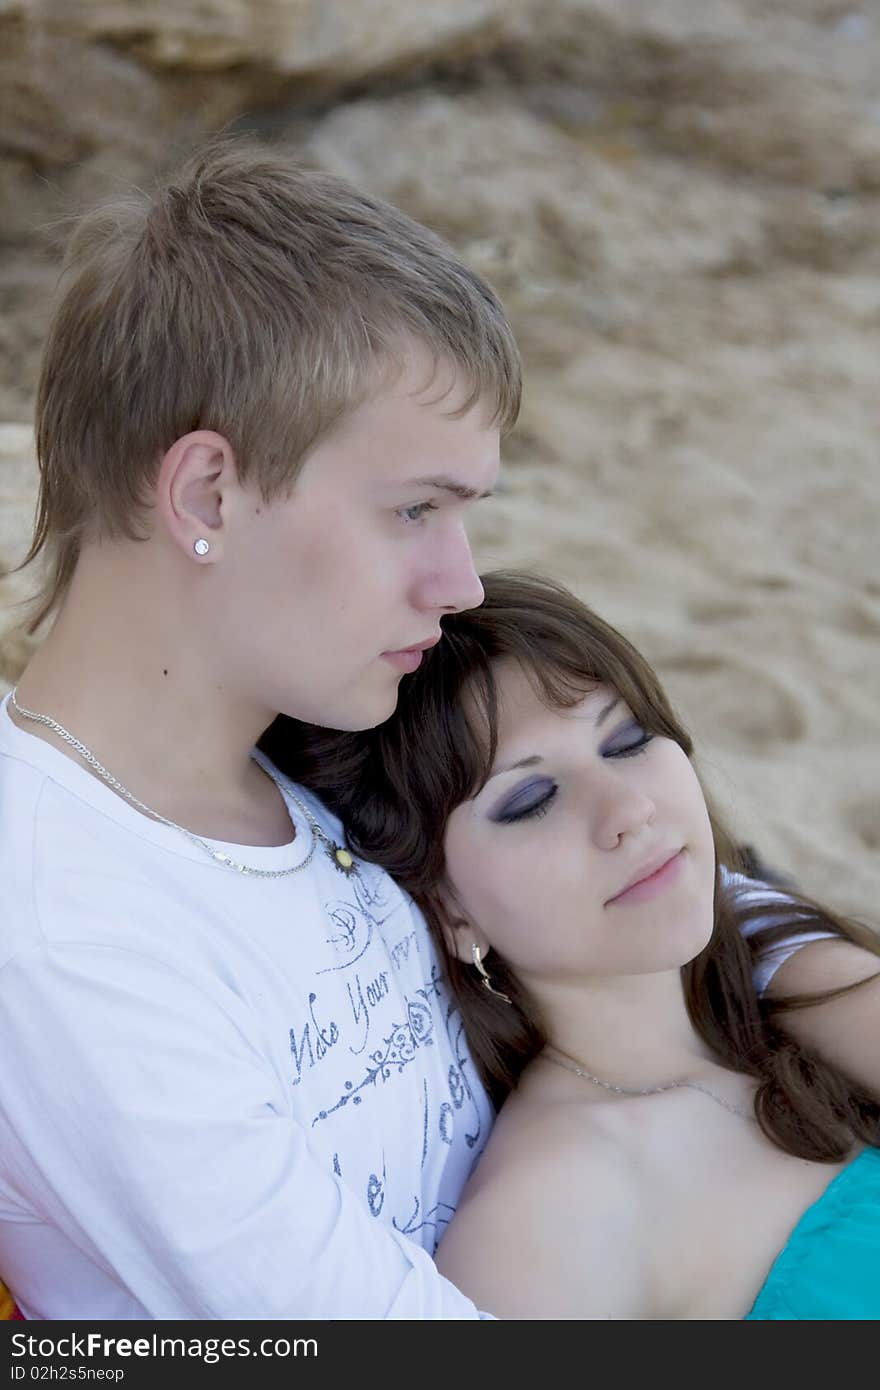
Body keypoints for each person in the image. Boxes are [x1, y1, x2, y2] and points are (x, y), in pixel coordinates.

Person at [0, 140, 520, 1319]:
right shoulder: (58, 930)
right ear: (205, 496)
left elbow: (645, 870)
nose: (462, 583)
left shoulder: (315, 735)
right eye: (414, 510)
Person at [273, 570, 880, 1319]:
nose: (629, 809)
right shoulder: (552, 1213)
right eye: (531, 800)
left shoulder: (792, 1004)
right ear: (453, 911)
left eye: (627, 741)